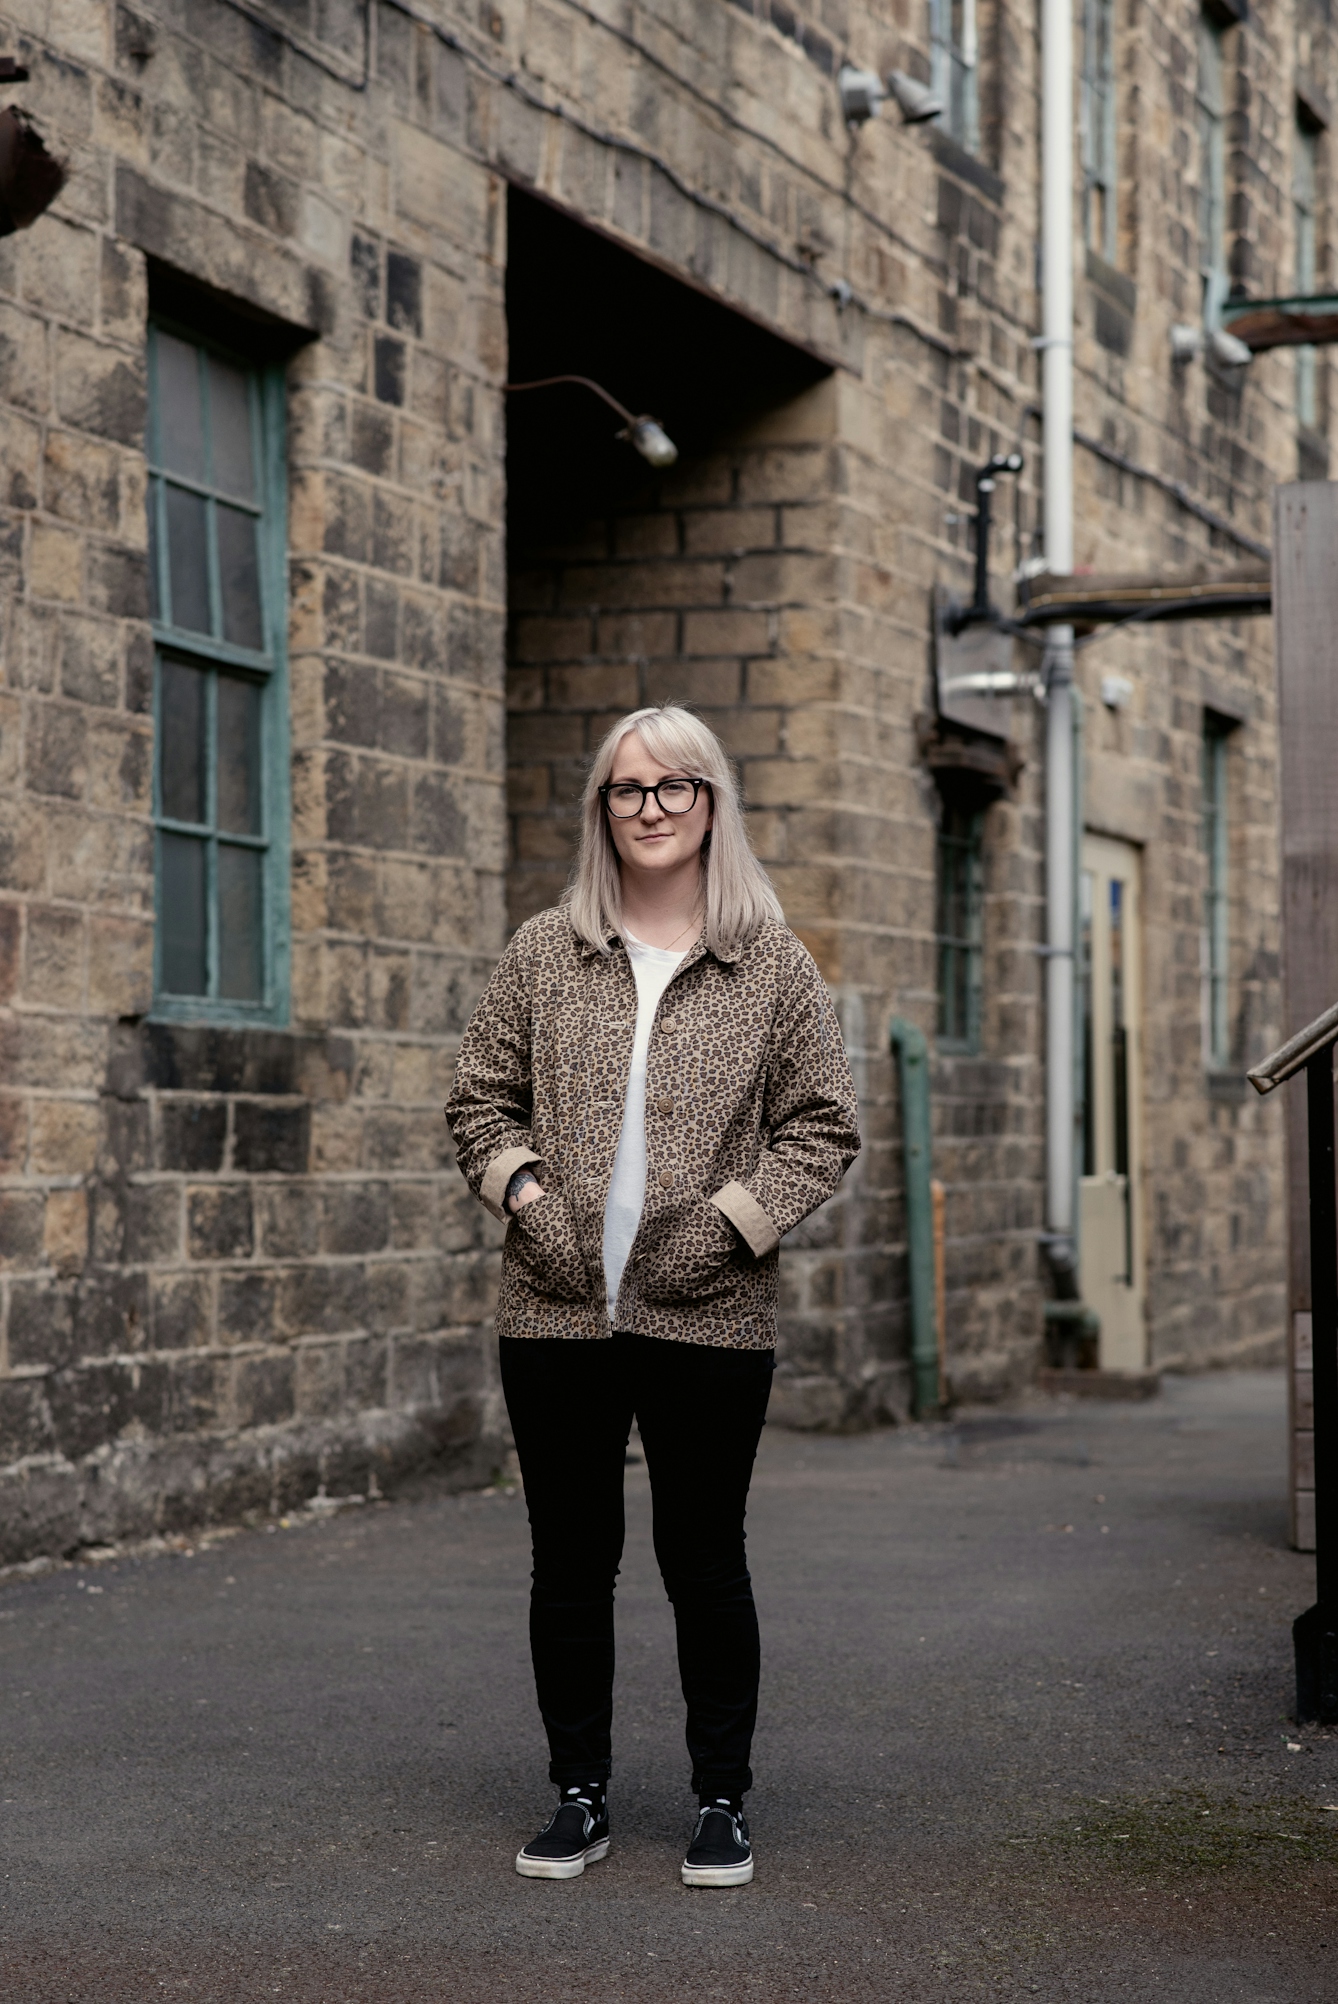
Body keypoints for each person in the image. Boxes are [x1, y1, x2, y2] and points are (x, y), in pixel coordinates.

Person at [444, 703, 860, 1888]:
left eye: (675, 788)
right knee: (568, 1566)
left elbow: (822, 1129)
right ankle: (578, 1795)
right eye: (628, 791)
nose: (652, 810)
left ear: (713, 803)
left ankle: (720, 1801)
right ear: (602, 811)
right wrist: (529, 1203)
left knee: (704, 1559)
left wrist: (728, 1234)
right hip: (555, 1311)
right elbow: (479, 1105)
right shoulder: (545, 949)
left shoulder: (769, 961)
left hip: (709, 1319)